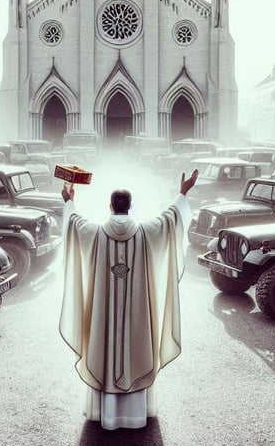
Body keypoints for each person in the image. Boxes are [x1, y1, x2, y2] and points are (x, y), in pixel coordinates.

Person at [59, 168, 199, 431]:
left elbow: (74, 222)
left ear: (110, 206)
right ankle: (136, 414)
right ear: (130, 207)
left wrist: (69, 200)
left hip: (104, 316)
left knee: (103, 346)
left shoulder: (95, 233)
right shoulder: (146, 232)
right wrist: (183, 192)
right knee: (136, 349)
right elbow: (171, 218)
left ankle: (104, 413)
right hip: (137, 318)